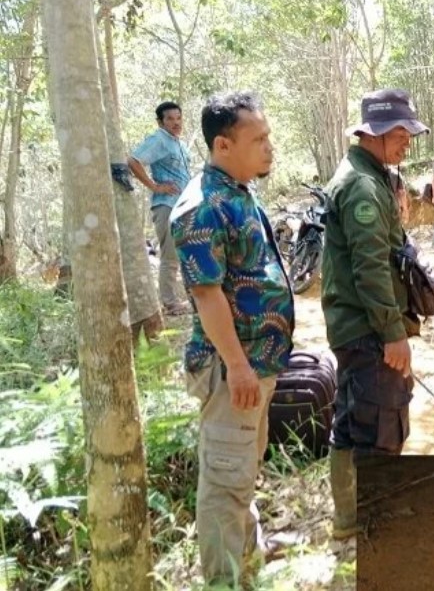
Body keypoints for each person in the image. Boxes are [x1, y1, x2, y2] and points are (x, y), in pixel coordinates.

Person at [170, 91, 293, 588]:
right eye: (257, 139)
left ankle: (248, 562)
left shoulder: (238, 190)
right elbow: (207, 295)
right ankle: (224, 580)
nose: (269, 148)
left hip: (254, 366)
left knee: (240, 470)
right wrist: (239, 366)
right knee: (224, 481)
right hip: (231, 371)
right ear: (223, 145)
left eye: (268, 136)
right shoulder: (203, 206)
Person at [321, 88, 430, 538]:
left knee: (352, 421)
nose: (407, 142)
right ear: (377, 133)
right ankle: (373, 523)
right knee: (379, 425)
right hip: (368, 329)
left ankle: (349, 518)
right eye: (401, 133)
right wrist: (392, 334)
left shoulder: (368, 174)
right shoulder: (363, 185)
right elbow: (370, 268)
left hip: (357, 326)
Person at [129, 101, 192, 316]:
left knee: (188, 254)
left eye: (178, 118)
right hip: (166, 206)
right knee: (170, 256)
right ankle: (170, 303)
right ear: (160, 122)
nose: (175, 123)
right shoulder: (159, 140)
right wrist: (155, 186)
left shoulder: (179, 144)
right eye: (170, 119)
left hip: (185, 206)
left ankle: (191, 297)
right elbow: (134, 161)